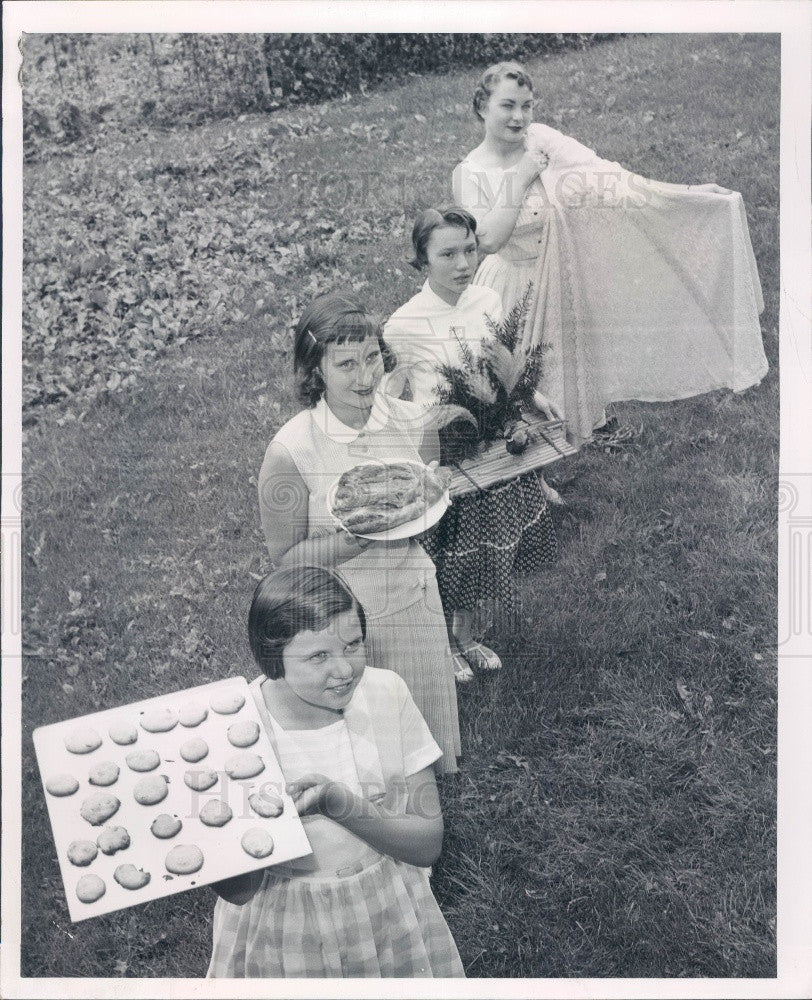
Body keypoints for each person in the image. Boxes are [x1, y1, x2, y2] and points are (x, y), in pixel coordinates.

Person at [453, 61, 769, 446]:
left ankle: (578, 434)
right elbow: (487, 240)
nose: (519, 117)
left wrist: (688, 192)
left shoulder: (541, 138)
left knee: (567, 373)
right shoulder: (469, 172)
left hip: (561, 275)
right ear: (482, 106)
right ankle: (531, 471)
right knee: (515, 385)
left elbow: (608, 176)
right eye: (507, 105)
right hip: (511, 285)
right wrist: (520, 178)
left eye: (527, 105)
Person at [208, 565, 465, 978]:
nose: (344, 669)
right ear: (274, 659)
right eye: (317, 657)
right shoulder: (238, 729)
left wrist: (337, 803)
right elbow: (237, 891)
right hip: (283, 923)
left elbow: (426, 844)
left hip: (384, 908)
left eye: (352, 644)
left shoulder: (386, 693)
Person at [257, 292, 460, 771]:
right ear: (315, 372)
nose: (366, 377)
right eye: (346, 364)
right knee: (363, 754)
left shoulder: (414, 422)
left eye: (372, 358)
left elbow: (426, 501)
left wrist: (430, 495)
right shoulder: (290, 452)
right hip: (338, 618)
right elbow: (285, 560)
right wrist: (357, 539)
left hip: (412, 595)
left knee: (419, 735)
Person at [384, 207, 557, 680]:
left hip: (494, 452)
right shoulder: (403, 325)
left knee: (490, 551)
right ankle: (443, 644)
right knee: (450, 559)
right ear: (421, 262)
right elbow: (389, 400)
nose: (463, 264)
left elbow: (501, 367)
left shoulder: (487, 300)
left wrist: (533, 396)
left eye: (469, 250)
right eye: (446, 254)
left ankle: (468, 637)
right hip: (446, 456)